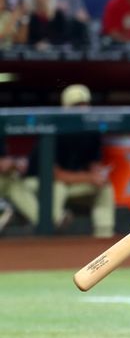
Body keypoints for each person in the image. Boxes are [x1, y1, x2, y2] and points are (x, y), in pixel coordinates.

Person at [26, 84, 115, 237]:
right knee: (57, 187)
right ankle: (49, 233)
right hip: (38, 185)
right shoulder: (53, 129)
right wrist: (89, 177)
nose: (82, 109)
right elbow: (55, 174)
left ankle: (104, 234)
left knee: (104, 187)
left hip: (72, 183)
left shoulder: (91, 131)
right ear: (65, 108)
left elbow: (93, 163)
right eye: (76, 105)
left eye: (85, 104)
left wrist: (98, 175)